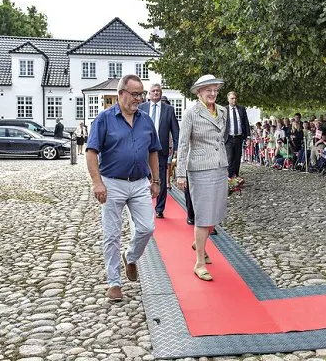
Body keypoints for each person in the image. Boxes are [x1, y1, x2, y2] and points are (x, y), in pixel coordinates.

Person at [85, 74, 161, 301]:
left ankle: (131, 256)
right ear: (121, 94)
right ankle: (114, 282)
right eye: (135, 94)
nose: (139, 99)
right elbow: (91, 152)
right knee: (111, 234)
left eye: (141, 94)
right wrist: (97, 183)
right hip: (112, 183)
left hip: (139, 183)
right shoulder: (104, 119)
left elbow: (153, 151)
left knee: (147, 228)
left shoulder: (146, 120)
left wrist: (156, 180)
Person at [176, 74, 228, 282]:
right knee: (203, 215)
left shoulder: (223, 111)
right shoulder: (191, 113)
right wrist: (181, 173)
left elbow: (221, 139)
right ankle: (199, 262)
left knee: (216, 213)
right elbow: (183, 144)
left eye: (215, 89)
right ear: (199, 92)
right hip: (199, 169)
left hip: (220, 165)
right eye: (208, 90)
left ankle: (199, 242)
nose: (213, 93)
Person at [139, 84, 180, 218]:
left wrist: (177, 149)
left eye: (158, 91)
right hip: (143, 149)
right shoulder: (142, 108)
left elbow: (175, 131)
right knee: (144, 178)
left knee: (161, 179)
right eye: (153, 91)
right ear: (149, 94)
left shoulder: (169, 110)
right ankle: (144, 206)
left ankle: (159, 208)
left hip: (161, 150)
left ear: (161, 94)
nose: (156, 93)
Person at [225, 91, 251, 178]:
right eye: (232, 98)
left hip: (239, 137)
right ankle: (229, 178)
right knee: (229, 159)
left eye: (235, 98)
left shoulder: (241, 109)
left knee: (237, 158)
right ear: (228, 99)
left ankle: (235, 177)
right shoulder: (224, 110)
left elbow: (246, 123)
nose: (234, 100)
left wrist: (248, 137)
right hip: (228, 138)